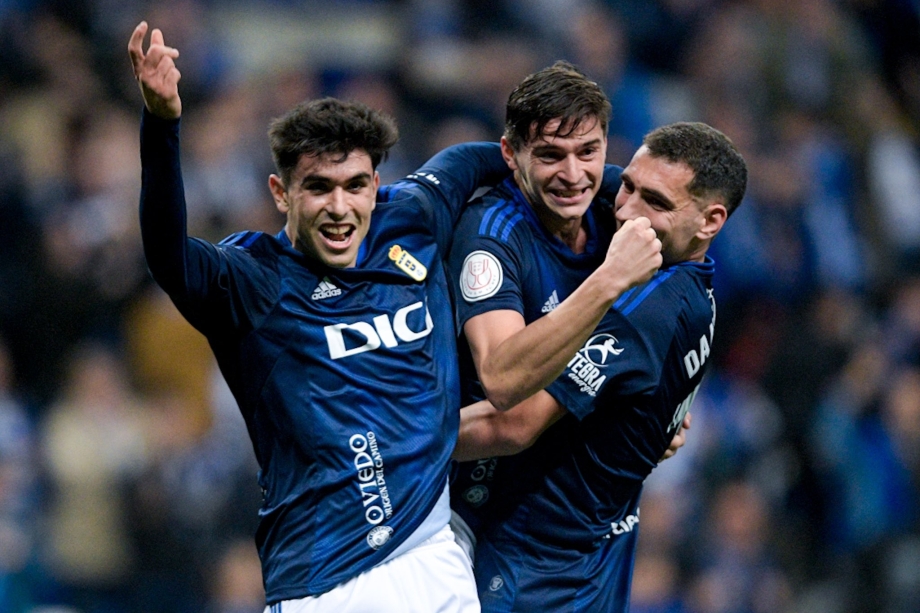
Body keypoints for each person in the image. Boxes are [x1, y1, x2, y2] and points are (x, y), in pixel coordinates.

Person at [127, 24, 662, 612]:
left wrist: (621, 189)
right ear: (281, 193)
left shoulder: (415, 215)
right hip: (324, 579)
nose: (339, 207)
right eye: (319, 188)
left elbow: (526, 162)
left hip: (434, 554)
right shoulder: (251, 280)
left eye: (355, 185)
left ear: (377, 184)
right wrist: (162, 122)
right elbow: (166, 252)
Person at [448, 62, 747, 612]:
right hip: (581, 546)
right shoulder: (678, 272)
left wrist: (385, 443)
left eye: (654, 203)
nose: (627, 210)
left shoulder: (642, 295)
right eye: (627, 185)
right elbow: (506, 382)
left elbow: (512, 418)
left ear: (710, 222)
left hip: (542, 560)